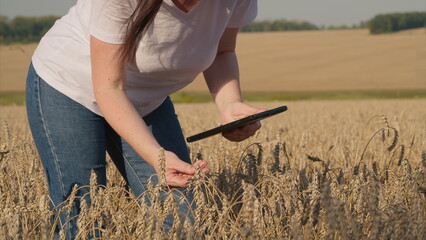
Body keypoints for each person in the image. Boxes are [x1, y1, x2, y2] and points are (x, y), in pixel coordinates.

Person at [26, 0, 263, 238]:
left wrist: (230, 103)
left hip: (147, 101)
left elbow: (223, 51)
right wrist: (158, 157)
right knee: (82, 216)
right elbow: (110, 89)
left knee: (182, 219)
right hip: (69, 85)